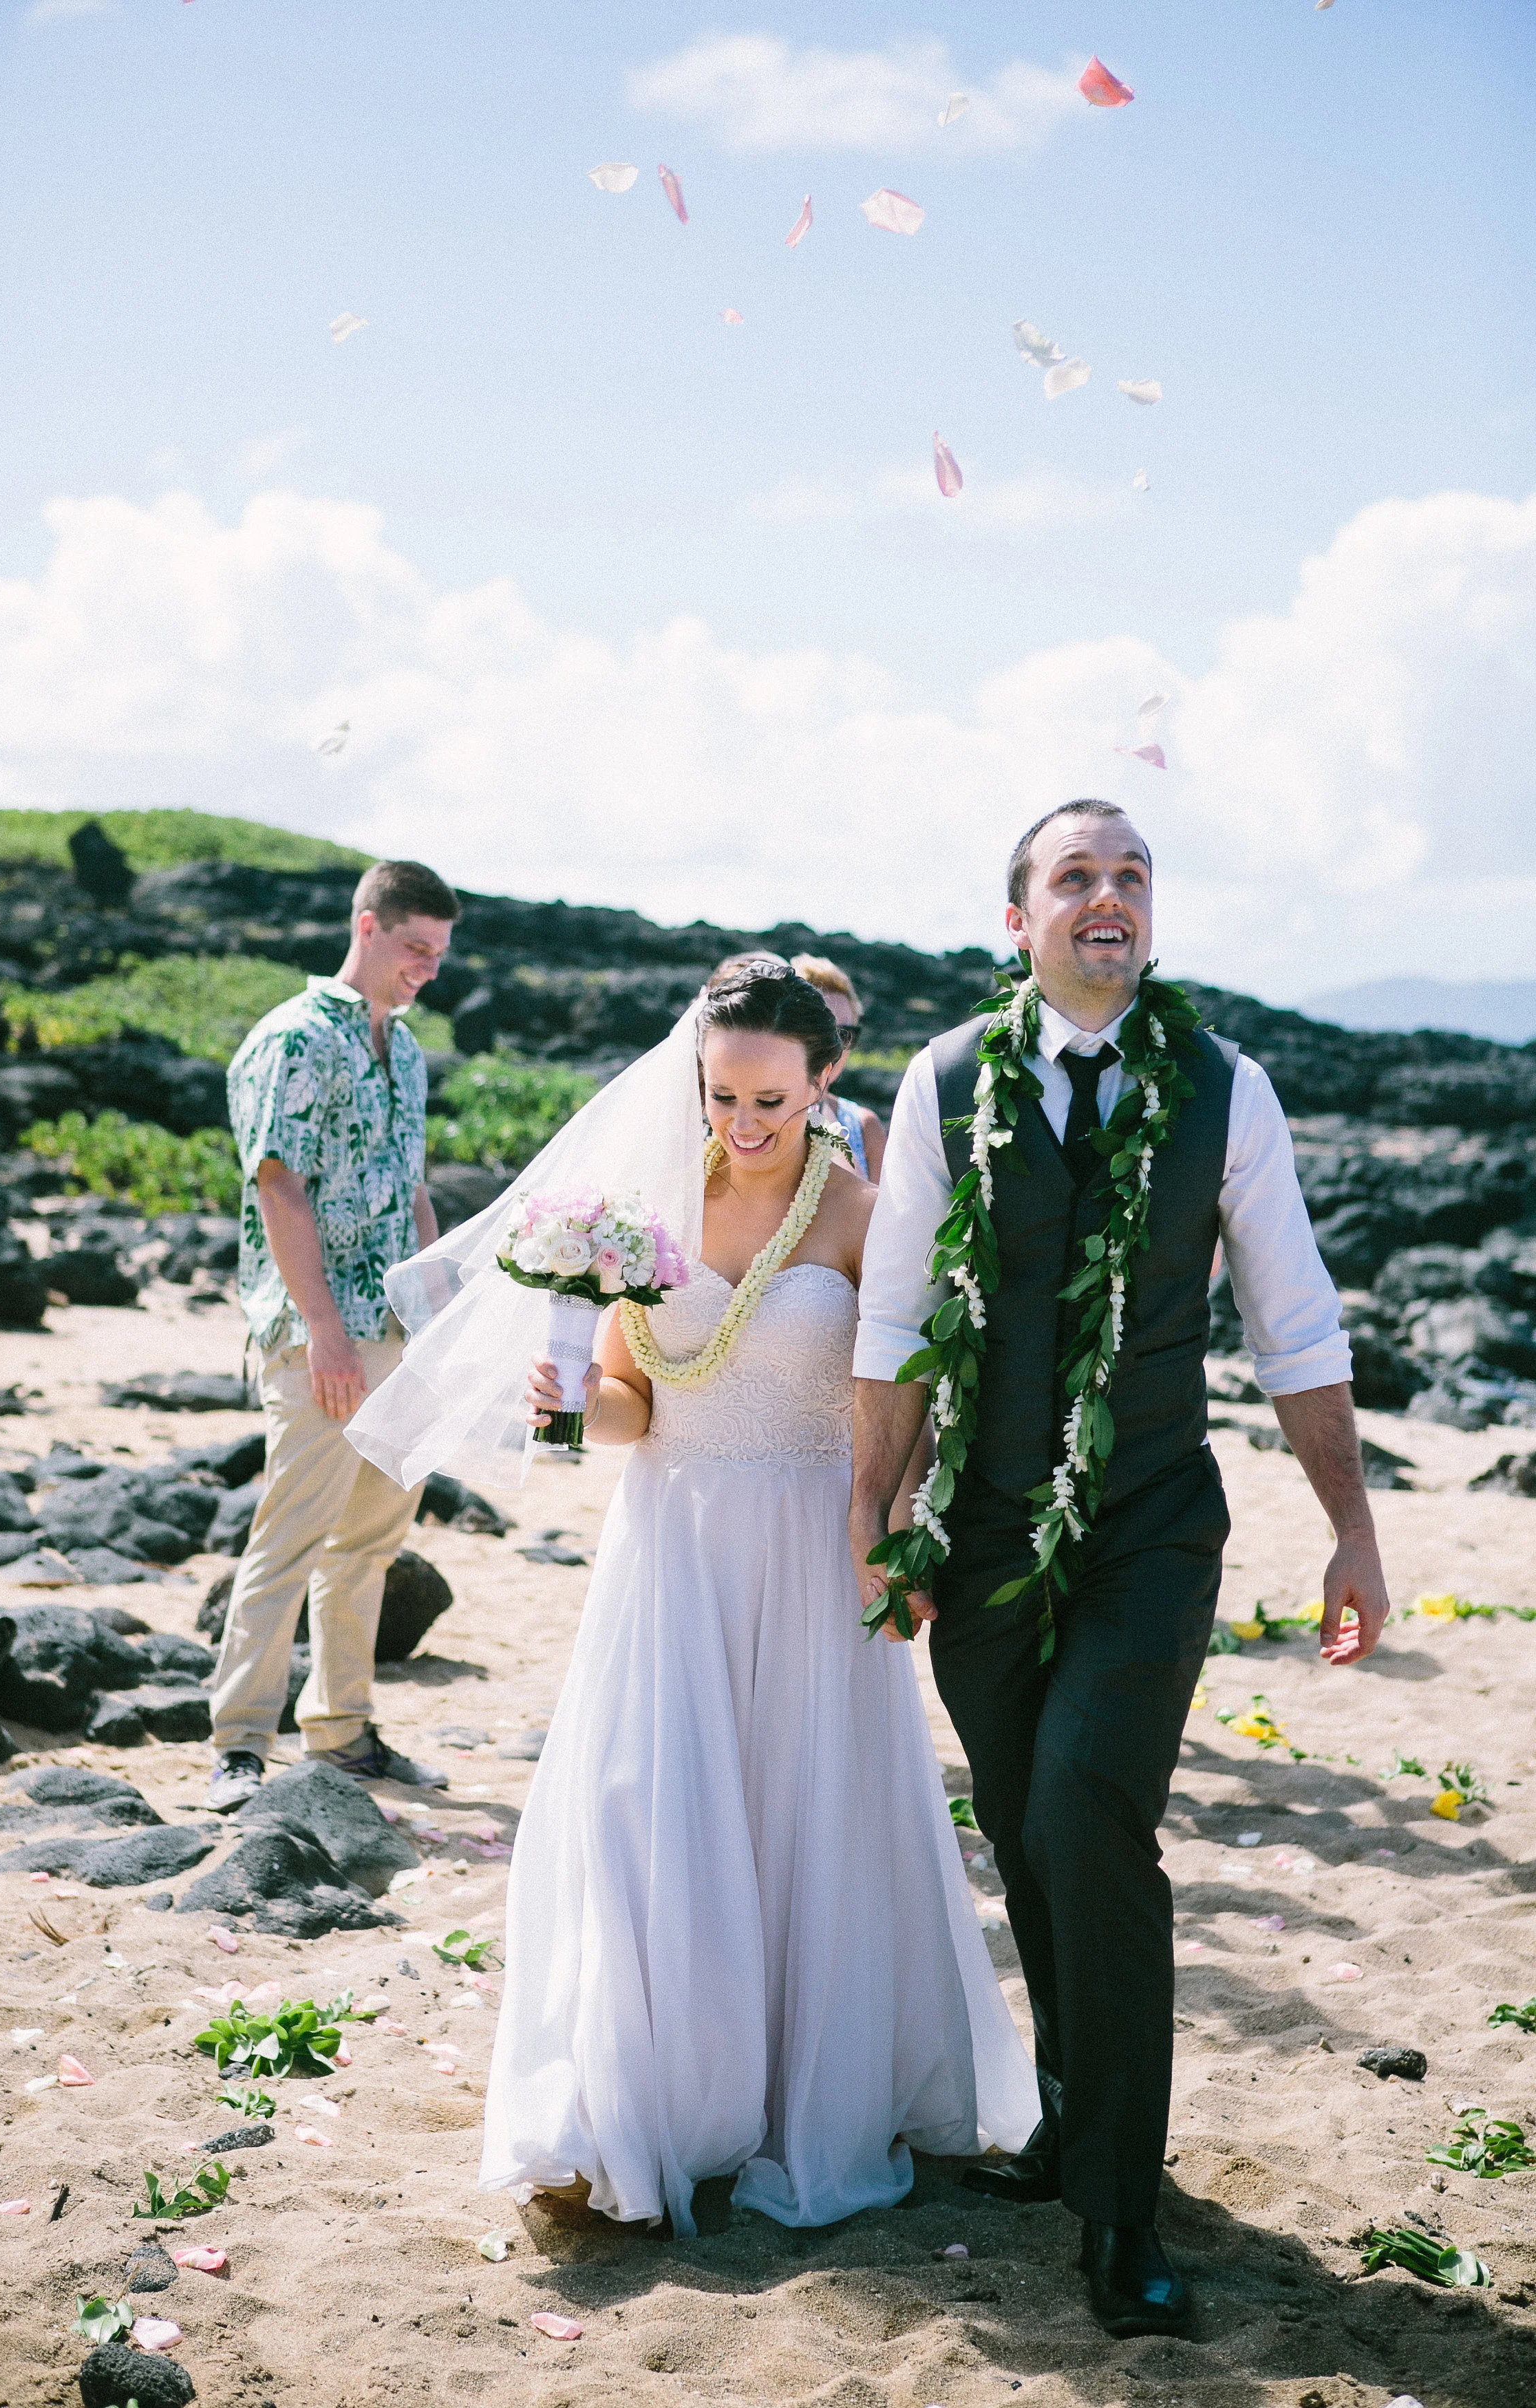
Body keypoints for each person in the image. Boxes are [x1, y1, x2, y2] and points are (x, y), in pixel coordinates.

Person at [350, 963, 1037, 2232]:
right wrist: (567, 1411)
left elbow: (914, 1397)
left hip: (807, 1544)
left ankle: (798, 2095)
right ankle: (663, 2096)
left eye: (771, 1097)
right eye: (721, 1096)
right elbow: (630, 1406)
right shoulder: (644, 1212)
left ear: (825, 1079)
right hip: (669, 1544)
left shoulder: (863, 1213)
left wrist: (895, 1529)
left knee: (803, 1819)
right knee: (642, 1814)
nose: (743, 1123)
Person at [849, 801, 1390, 2339]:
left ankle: (1121, 2207)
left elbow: (1290, 1323)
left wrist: (1347, 1525)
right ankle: (1074, 2112)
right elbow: (893, 1320)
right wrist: (873, 1521)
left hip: (1150, 1517)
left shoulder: (1225, 1088)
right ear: (1014, 918)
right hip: (979, 1522)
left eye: (1130, 876)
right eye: (1072, 877)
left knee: (1089, 1805)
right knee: (1024, 1825)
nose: (1107, 897)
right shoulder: (949, 1076)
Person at [204, 859, 462, 1813]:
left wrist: (440, 1315)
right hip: (320, 1332)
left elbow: (413, 1187)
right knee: (291, 1535)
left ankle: (343, 1729)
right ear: (366, 928)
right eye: (414, 949)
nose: (427, 969)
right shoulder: (295, 1040)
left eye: (438, 955)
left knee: (370, 1543)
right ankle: (238, 1742)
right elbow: (278, 1183)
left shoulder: (407, 1051)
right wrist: (325, 1333)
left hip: (397, 1326)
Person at [791, 953, 887, 1181]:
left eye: (846, 1034)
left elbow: (881, 1215)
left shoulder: (865, 1128)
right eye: (820, 1030)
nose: (834, 1046)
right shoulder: (752, 1121)